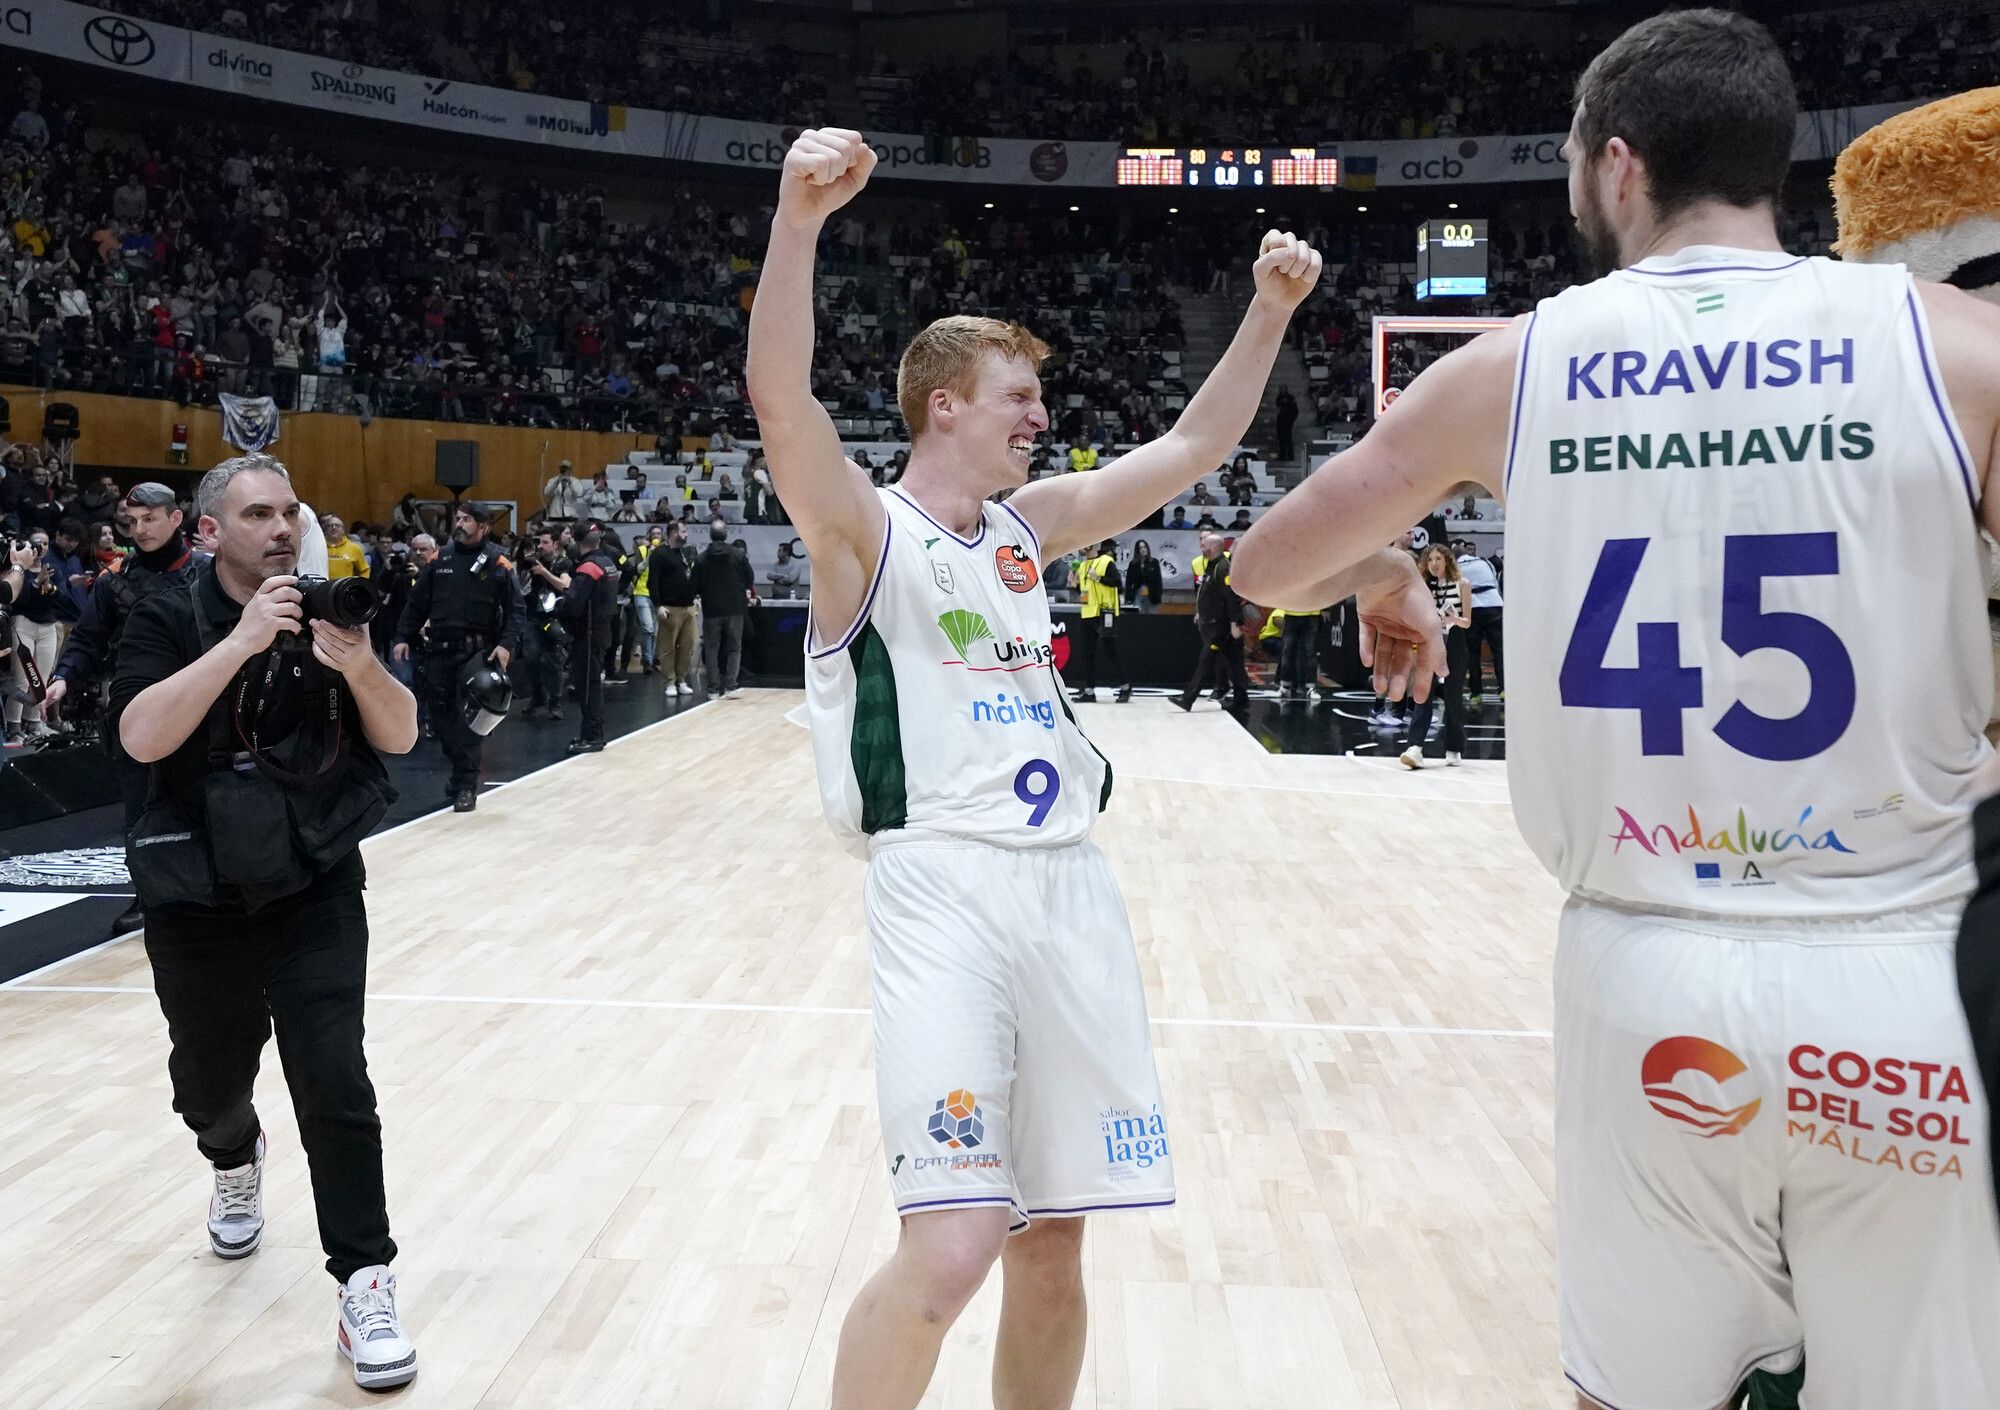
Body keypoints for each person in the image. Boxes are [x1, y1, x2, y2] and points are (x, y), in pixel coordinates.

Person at [1230, 12, 2000, 1406]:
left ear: (1619, 166)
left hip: (1647, 970)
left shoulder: (1508, 367)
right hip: (1901, 966)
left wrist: (1393, 566)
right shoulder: (1956, 342)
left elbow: (1263, 566)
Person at [746, 126, 1319, 1410]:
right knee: (951, 1246)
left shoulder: (1027, 529)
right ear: (943, 404)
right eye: (1018, 397)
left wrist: (1268, 313)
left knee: (1054, 1248)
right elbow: (782, 402)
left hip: (1071, 891)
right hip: (942, 890)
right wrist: (797, 224)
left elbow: (1188, 453)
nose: (1039, 418)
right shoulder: (858, 534)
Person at [110, 453, 419, 1391]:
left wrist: (359, 666)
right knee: (209, 1077)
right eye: (256, 515)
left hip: (315, 880)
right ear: (211, 532)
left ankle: (364, 1280)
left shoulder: (333, 607)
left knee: (334, 1079)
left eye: (288, 511)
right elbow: (140, 737)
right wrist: (241, 643)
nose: (281, 529)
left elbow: (401, 734)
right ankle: (232, 1153)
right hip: (198, 893)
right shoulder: (164, 613)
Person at [44, 484, 208, 931]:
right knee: (140, 806)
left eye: (151, 518)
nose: (140, 529)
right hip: (135, 706)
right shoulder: (115, 581)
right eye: (132, 522)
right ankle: (148, 898)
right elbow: (87, 638)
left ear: (176, 519)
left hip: (204, 701)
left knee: (209, 795)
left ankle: (216, 890)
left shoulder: (209, 572)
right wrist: (63, 678)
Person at [392, 503, 521, 813]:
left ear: (484, 527)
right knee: (440, 719)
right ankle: (459, 770)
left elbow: (517, 610)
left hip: (476, 652)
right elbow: (417, 603)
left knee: (470, 721)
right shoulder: (440, 559)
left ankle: (466, 784)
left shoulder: (498, 562)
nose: (460, 524)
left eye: (467, 520)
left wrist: (506, 644)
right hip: (438, 650)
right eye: (459, 519)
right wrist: (402, 637)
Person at [1397, 544, 1469, 767]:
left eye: (1438, 558)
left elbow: (1468, 622)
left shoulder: (1462, 584)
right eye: (1429, 560)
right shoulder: (1424, 587)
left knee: (1452, 699)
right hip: (1429, 642)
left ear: (1447, 560)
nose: (1434, 564)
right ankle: (1415, 746)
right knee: (1422, 694)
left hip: (1454, 643)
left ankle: (1454, 747)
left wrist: (1452, 620)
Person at [558, 524, 619, 752]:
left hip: (587, 633)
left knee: (587, 687)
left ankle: (591, 736)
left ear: (577, 541)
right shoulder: (608, 564)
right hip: (603, 631)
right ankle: (594, 734)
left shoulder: (589, 568)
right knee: (593, 685)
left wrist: (560, 606)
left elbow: (574, 605)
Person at [1176, 531, 1249, 713]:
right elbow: (1205, 593)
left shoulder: (1222, 567)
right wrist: (1200, 612)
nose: (1202, 548)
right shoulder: (1210, 565)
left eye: (1205, 545)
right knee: (1235, 664)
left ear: (1215, 548)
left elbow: (1231, 597)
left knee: (1205, 661)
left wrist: (1234, 624)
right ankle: (1242, 699)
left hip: (1221, 627)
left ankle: (1187, 699)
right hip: (1213, 624)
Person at [691, 519, 752, 699]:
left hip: (712, 609)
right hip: (735, 607)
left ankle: (713, 689)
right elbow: (749, 578)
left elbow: (694, 585)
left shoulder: (701, 558)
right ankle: (731, 686)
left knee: (711, 649)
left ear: (710, 535)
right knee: (734, 648)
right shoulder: (738, 555)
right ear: (726, 534)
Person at [518, 528, 572, 720]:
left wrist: (544, 572)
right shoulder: (534, 560)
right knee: (530, 656)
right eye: (539, 542)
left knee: (554, 661)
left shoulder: (564, 562)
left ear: (556, 544)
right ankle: (538, 695)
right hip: (533, 615)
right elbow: (521, 576)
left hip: (553, 617)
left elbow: (565, 585)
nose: (540, 546)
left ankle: (555, 703)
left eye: (545, 542)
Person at [1069, 538, 1131, 703]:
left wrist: (1098, 578)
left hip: (1105, 612)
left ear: (1093, 545)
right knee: (1088, 653)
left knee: (1110, 650)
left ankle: (1125, 686)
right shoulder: (1082, 566)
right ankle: (1089, 691)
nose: (1081, 547)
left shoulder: (1106, 561)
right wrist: (1074, 583)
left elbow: (1118, 583)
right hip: (1088, 612)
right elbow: (1084, 590)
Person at [647, 523, 700, 697]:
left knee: (688, 645)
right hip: (669, 608)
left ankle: (682, 679)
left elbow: (690, 577)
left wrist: (696, 597)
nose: (686, 534)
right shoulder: (659, 554)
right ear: (673, 533)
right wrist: (658, 605)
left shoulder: (684, 553)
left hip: (688, 608)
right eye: (683, 531)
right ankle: (670, 681)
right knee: (668, 647)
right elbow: (652, 582)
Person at [1457, 540, 1504, 702]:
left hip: (1472, 608)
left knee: (1473, 652)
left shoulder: (1455, 566)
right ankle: (1503, 689)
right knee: (1498, 650)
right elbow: (1495, 583)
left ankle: (1476, 692)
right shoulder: (1484, 562)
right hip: (1494, 605)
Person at [320, 514, 369, 579]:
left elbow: (364, 570)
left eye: (337, 525)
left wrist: (360, 585)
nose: (334, 528)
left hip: (344, 587)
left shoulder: (354, 548)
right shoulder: (319, 547)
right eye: (330, 526)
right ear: (325, 531)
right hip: (324, 587)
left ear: (343, 530)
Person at [1123, 538, 1163, 613]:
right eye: (1141, 548)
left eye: (1145, 547)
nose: (1143, 549)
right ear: (1137, 551)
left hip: (1152, 594)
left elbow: (1158, 581)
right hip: (1137, 592)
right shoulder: (1133, 564)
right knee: (1137, 615)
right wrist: (1128, 598)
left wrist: (1159, 595)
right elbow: (1128, 582)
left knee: (1152, 615)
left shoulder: (1154, 562)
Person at [1274, 385, 1298, 460]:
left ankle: (1290, 456)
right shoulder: (1279, 397)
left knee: (1288, 439)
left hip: (1288, 420)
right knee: (1281, 439)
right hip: (1281, 420)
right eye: (1280, 389)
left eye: (1283, 389)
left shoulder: (1291, 398)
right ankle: (1282, 455)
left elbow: (1295, 410)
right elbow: (1277, 404)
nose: (1281, 391)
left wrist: (1291, 420)